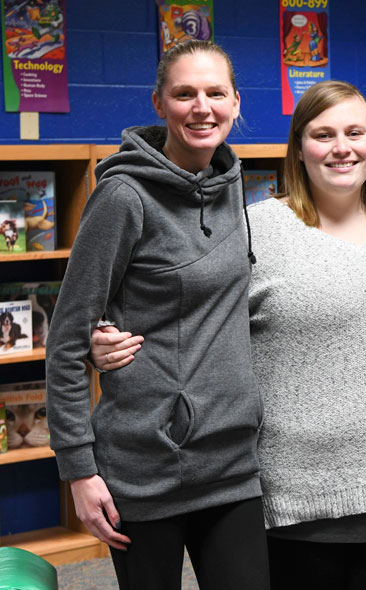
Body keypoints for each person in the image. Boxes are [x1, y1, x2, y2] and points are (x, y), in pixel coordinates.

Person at [92, 80, 366, 590]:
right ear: (299, 149)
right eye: (323, 134)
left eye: (355, 131)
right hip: (300, 506)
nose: (342, 147)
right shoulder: (254, 227)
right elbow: (180, 309)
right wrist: (101, 340)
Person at [45, 40, 270, 590]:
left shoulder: (233, 183)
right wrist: (78, 469)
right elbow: (69, 339)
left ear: (236, 102)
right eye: (184, 94)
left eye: (215, 93)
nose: (202, 107)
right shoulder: (123, 196)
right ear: (159, 103)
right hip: (146, 464)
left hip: (232, 461)